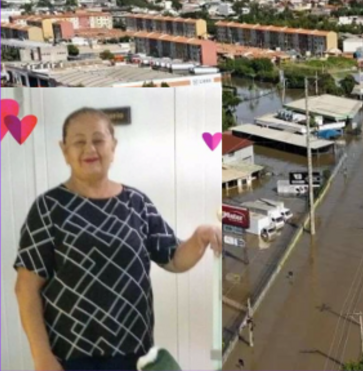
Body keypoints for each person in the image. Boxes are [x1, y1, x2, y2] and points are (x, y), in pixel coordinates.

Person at [14, 107, 223, 371]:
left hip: (135, 355)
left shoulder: (136, 203)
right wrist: (41, 356)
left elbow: (173, 258)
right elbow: (26, 289)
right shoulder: (48, 207)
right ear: (64, 150)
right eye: (79, 141)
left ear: (113, 146)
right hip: (71, 359)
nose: (90, 148)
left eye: (98, 140)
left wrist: (200, 236)